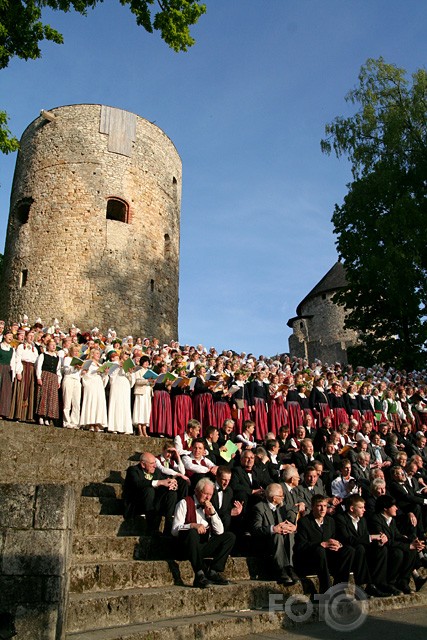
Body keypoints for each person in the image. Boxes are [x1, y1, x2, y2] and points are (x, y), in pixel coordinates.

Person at [171, 477, 236, 588]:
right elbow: (174, 530)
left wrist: (213, 514)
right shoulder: (184, 503)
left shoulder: (209, 506)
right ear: (196, 491)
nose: (208, 497)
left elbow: (220, 531)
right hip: (187, 546)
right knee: (192, 532)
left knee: (229, 537)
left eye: (210, 494)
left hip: (204, 544)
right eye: (205, 493)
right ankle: (199, 573)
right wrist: (192, 525)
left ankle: (214, 571)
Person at [294, 494, 355, 593]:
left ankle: (339, 588)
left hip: (328, 558)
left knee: (349, 550)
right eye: (319, 506)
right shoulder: (304, 522)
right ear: (313, 507)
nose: (323, 509)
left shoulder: (330, 521)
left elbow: (336, 538)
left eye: (325, 506)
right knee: (320, 550)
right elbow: (301, 546)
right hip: (311, 559)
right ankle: (326, 590)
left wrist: (338, 544)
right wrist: (321, 544)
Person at [335, 495, 391, 597]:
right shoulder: (341, 518)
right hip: (347, 552)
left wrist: (379, 540)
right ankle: (362, 586)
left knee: (382, 549)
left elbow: (365, 538)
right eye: (361, 508)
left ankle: (377, 584)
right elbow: (348, 539)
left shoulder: (362, 520)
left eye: (364, 507)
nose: (364, 510)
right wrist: (372, 537)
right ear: (352, 508)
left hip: (361, 550)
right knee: (359, 549)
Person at [369, 494, 425, 594]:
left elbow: (397, 535)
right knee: (398, 553)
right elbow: (385, 541)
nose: (396, 508)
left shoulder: (392, 520)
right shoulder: (375, 519)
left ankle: (403, 581)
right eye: (393, 506)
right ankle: (391, 582)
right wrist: (408, 545)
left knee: (412, 551)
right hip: (381, 549)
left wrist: (412, 542)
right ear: (385, 508)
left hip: (392, 546)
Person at [250, 483, 299, 585]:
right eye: (281, 496)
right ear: (274, 498)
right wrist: (273, 529)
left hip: (281, 541)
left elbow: (292, 511)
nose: (283, 498)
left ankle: (289, 567)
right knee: (276, 534)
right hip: (266, 542)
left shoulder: (282, 507)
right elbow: (255, 530)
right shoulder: (259, 508)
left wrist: (292, 527)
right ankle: (280, 569)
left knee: (289, 533)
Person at [123, 452, 178, 534]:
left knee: (171, 494)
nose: (155, 466)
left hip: (154, 504)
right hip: (137, 504)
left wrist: (171, 485)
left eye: (155, 463)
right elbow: (138, 484)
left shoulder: (156, 471)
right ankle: (152, 528)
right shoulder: (133, 470)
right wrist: (159, 482)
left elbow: (164, 482)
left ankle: (168, 527)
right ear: (143, 464)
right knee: (149, 490)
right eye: (152, 463)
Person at [80, 347, 108, 431]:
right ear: (92, 354)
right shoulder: (88, 363)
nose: (98, 355)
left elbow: (104, 378)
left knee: (98, 403)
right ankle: (90, 423)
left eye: (99, 354)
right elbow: (85, 374)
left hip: (98, 385)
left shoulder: (100, 365)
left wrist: (105, 373)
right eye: (96, 353)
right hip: (91, 384)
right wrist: (91, 373)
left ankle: (97, 423)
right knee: (91, 402)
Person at [35, 338, 61, 426]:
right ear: (47, 346)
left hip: (53, 377)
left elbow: (58, 370)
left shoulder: (57, 358)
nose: (54, 346)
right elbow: (38, 367)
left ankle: (48, 417)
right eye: (52, 345)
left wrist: (58, 381)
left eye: (54, 345)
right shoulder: (43, 355)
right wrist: (39, 377)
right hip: (45, 376)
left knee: (51, 397)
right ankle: (41, 416)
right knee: (43, 395)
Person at [61, 344, 82, 429]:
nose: (76, 353)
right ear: (71, 352)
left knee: (76, 402)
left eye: (77, 351)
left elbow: (79, 374)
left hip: (77, 380)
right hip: (69, 379)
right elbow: (66, 370)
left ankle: (75, 422)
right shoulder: (67, 359)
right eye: (75, 351)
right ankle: (66, 421)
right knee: (67, 401)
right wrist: (74, 367)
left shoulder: (79, 360)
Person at [132, 355, 153, 437]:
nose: (147, 363)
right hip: (140, 393)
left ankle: (145, 429)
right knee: (140, 411)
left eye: (148, 362)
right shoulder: (138, 371)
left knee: (146, 411)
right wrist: (147, 380)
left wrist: (152, 382)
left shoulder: (149, 372)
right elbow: (137, 381)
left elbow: (150, 384)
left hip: (147, 393)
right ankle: (140, 429)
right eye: (145, 362)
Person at [0, 328, 17, 419]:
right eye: (9, 335)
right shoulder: (0, 346)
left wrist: (12, 375)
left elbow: (13, 362)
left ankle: (2, 412)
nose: (11, 337)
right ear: (4, 336)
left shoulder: (12, 350)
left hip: (7, 370)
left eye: (12, 336)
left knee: (5, 391)